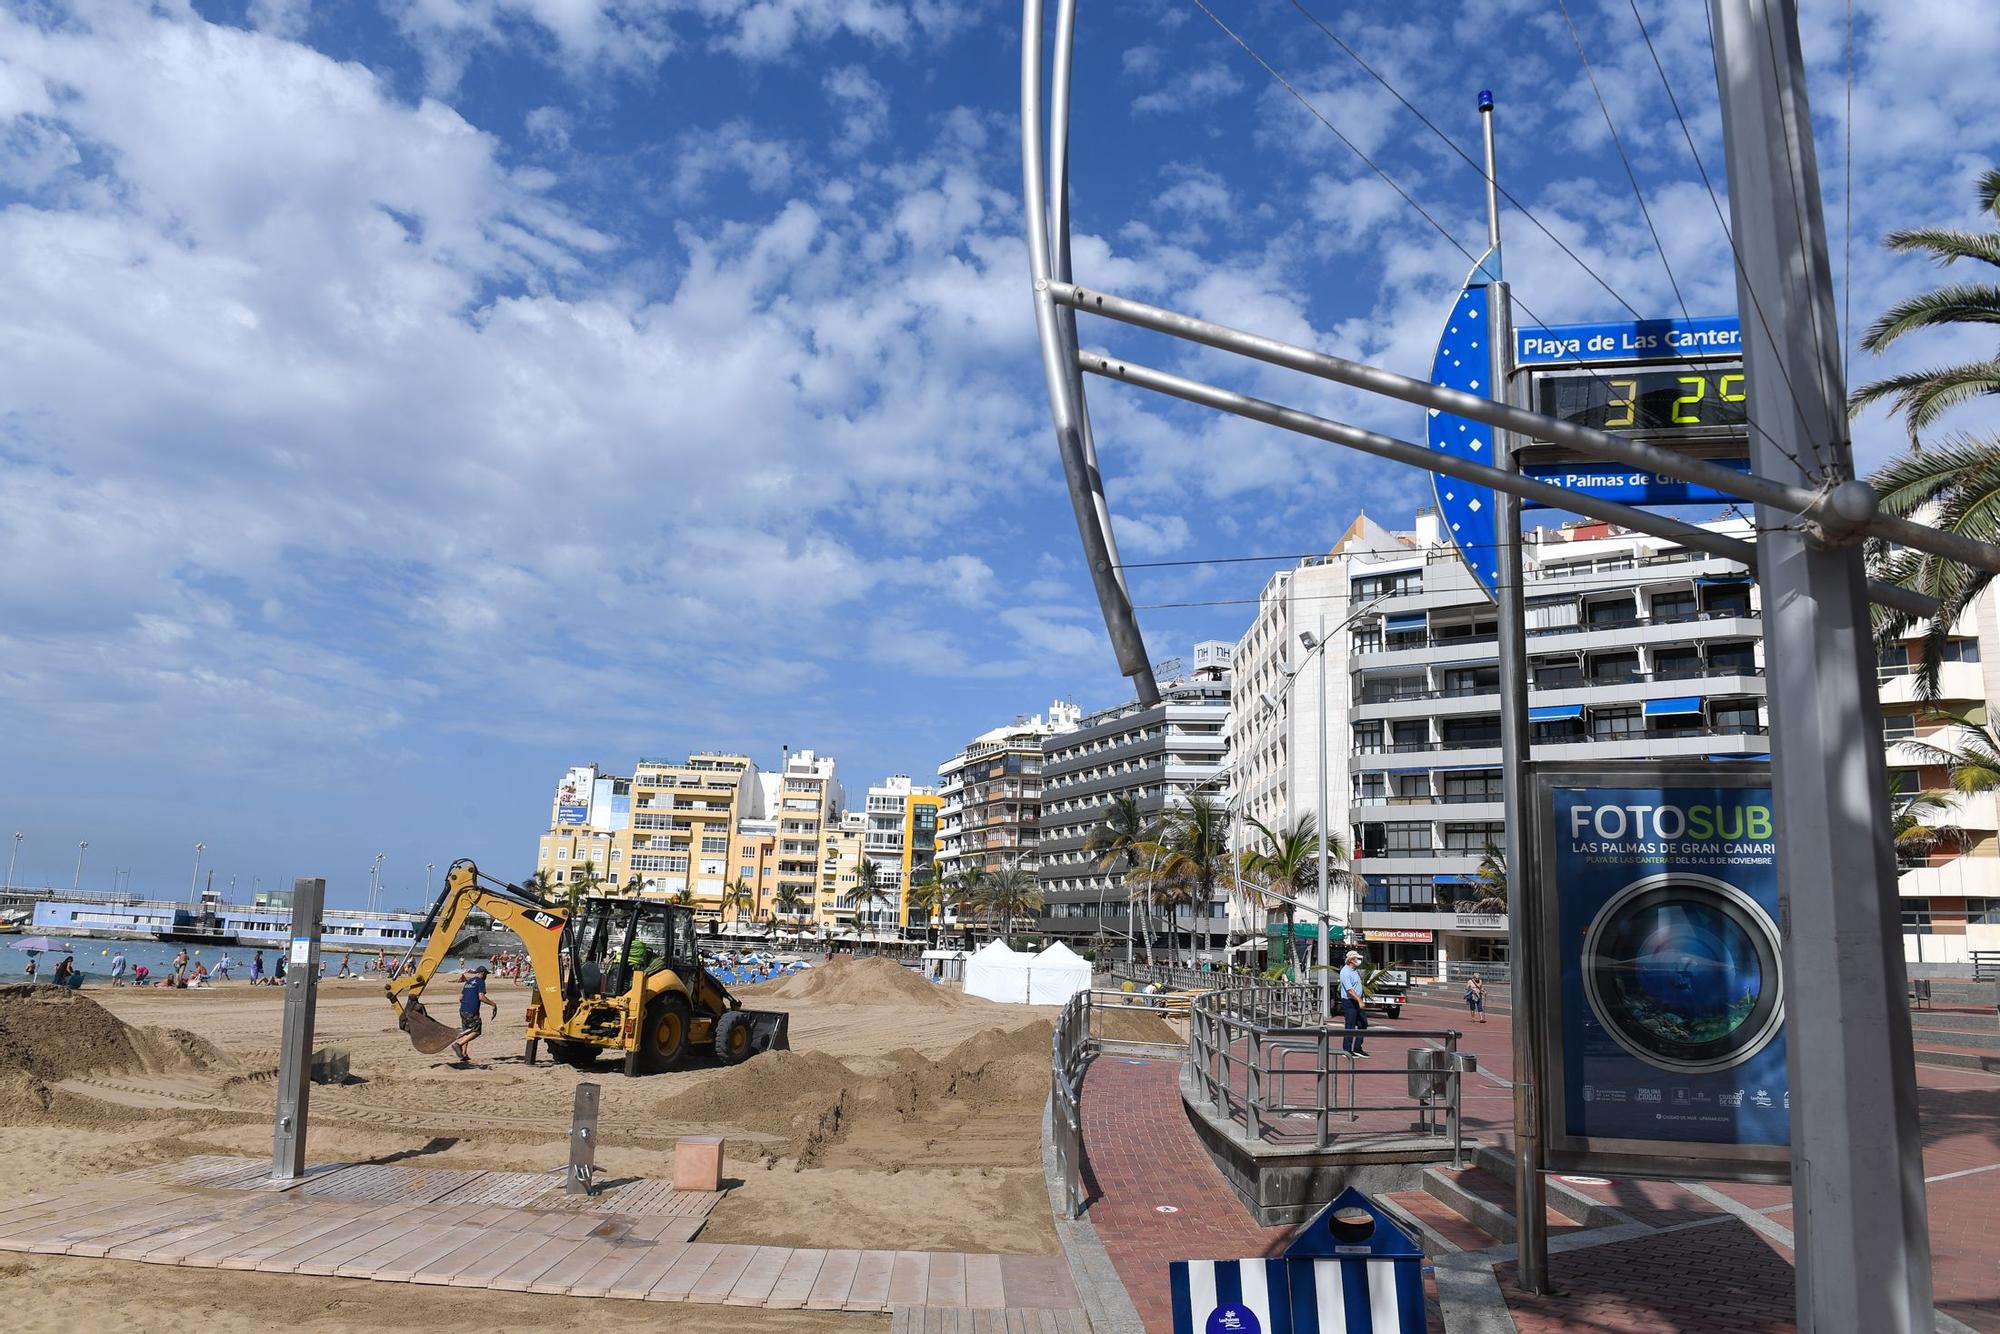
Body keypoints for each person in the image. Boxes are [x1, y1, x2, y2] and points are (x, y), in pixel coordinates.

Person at [452, 966, 497, 1065]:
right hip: (471, 1010)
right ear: (482, 973)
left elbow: (460, 998)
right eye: (486, 974)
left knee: (467, 1031)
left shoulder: (468, 982)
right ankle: (458, 1045)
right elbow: (481, 997)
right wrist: (493, 1004)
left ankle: (463, 1054)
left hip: (463, 1010)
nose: (486, 976)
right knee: (476, 1031)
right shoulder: (480, 982)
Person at [1338, 950, 1370, 1058]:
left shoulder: (1354, 971)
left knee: (1363, 1024)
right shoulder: (1345, 972)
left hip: (1356, 1001)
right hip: (1349, 1002)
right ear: (1351, 960)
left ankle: (1357, 1048)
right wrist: (1359, 1000)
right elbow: (1349, 990)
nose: (1358, 960)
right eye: (1356, 958)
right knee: (1350, 1025)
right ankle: (1347, 1050)